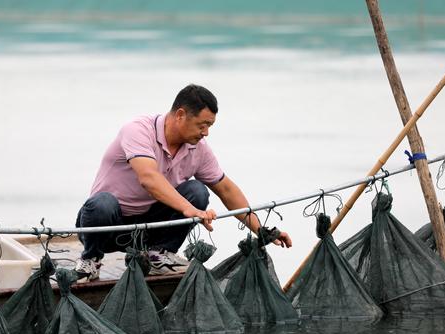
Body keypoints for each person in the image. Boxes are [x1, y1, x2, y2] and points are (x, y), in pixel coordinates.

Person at [75, 84, 292, 280]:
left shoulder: (198, 148)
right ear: (180, 115)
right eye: (202, 125)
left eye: (210, 126)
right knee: (102, 203)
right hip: (106, 226)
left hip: (150, 228)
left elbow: (226, 189)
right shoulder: (138, 130)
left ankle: (159, 254)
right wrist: (190, 210)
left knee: (198, 191)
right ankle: (91, 259)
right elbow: (149, 179)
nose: (205, 133)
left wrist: (262, 230)